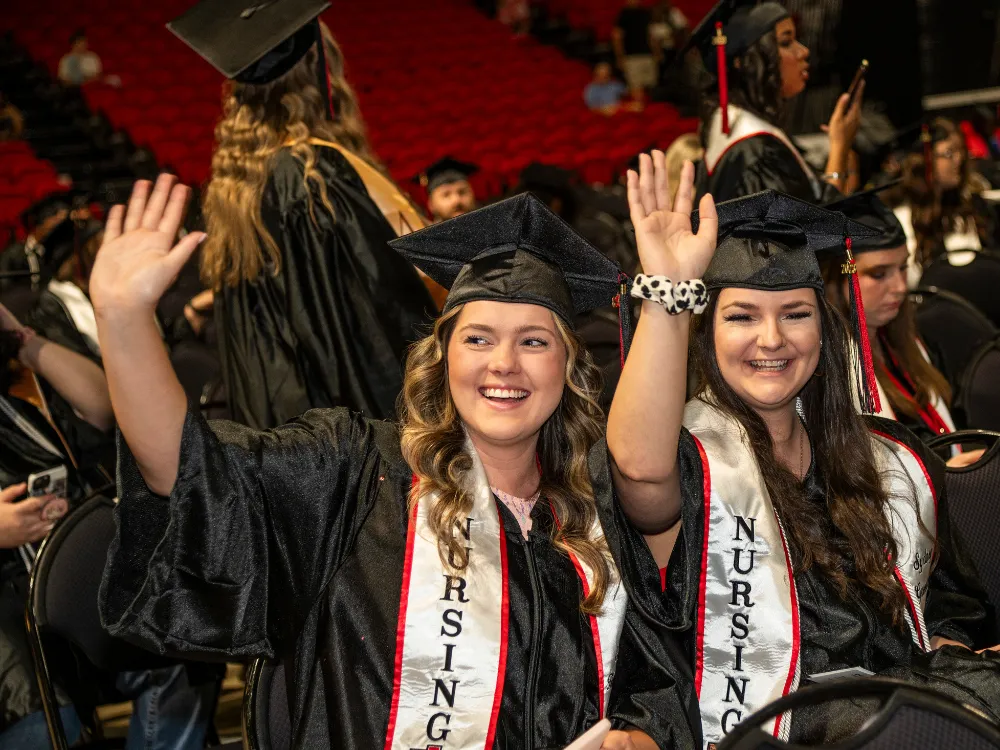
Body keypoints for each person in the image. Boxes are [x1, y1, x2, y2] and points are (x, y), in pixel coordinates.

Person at [92, 174, 694, 749]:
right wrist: (124, 323)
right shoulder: (350, 472)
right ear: (443, 357)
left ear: (568, 366)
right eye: (478, 338)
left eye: (534, 341)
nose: (504, 364)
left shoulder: (591, 515)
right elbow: (188, 473)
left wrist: (636, 739)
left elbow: (653, 685)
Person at [609, 152, 999, 747]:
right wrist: (669, 296)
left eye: (795, 314)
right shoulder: (694, 464)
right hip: (785, 731)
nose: (772, 339)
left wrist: (950, 646)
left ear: (824, 327)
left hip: (906, 710)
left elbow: (947, 603)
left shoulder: (890, 458)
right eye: (741, 316)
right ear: (707, 335)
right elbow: (638, 468)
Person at [168, 0, 435, 428]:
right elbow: (381, 307)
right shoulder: (313, 175)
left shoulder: (237, 187)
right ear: (317, 69)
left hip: (288, 430)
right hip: (351, 429)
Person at [0, 303, 218, 750]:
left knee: (181, 650)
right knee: (37, 720)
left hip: (64, 567)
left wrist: (20, 336)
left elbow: (100, 404)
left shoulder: (18, 369)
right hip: (6, 606)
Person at [821, 186, 966, 455]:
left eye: (902, 267)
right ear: (836, 280)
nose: (900, 286)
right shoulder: (829, 374)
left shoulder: (909, 342)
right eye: (879, 274)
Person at [688, 0, 863, 202]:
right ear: (747, 62)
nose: (804, 51)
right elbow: (815, 228)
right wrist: (840, 147)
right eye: (786, 43)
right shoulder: (757, 151)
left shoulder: (728, 124)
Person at [885, 118, 993, 286]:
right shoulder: (898, 220)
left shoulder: (967, 210)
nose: (959, 160)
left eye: (960, 151)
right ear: (923, 161)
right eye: (949, 153)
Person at [612, 0, 659, 106]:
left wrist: (656, 52)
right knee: (636, 89)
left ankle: (653, 114)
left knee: (651, 86)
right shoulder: (623, 14)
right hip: (631, 57)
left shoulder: (645, 13)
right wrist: (620, 57)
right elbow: (617, 36)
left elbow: (651, 34)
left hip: (647, 55)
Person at [413, 157, 478, 222]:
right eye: (446, 195)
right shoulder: (424, 232)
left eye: (462, 192)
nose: (456, 200)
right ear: (431, 205)